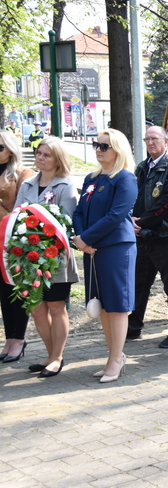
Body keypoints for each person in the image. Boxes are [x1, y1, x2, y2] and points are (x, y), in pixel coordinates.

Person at [73, 129, 137, 383]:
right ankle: (113, 357)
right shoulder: (92, 178)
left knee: (117, 306)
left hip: (115, 248)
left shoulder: (125, 178)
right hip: (92, 249)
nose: (98, 150)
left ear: (118, 150)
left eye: (104, 146)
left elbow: (116, 215)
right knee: (102, 306)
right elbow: (79, 212)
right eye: (96, 145)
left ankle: (116, 359)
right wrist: (82, 239)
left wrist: (86, 239)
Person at [15, 137, 79, 377]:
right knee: (37, 308)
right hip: (29, 256)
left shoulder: (66, 186)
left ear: (58, 159)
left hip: (56, 256)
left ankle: (57, 357)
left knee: (55, 306)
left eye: (46, 155)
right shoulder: (27, 184)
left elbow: (67, 222)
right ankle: (51, 355)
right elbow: (18, 215)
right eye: (38, 153)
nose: (40, 158)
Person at [127, 125, 168, 348]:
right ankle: (133, 327)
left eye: (154, 138)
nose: (150, 143)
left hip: (166, 237)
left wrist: (141, 222)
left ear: (166, 141)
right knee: (139, 285)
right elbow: (134, 195)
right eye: (147, 139)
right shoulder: (143, 166)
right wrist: (132, 221)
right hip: (143, 236)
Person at [0, 131, 35, 363]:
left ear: (11, 150)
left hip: (12, 241)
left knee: (16, 291)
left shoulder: (23, 173)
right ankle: (9, 339)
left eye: (0, 147)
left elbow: (25, 209)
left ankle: (19, 339)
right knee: (3, 293)